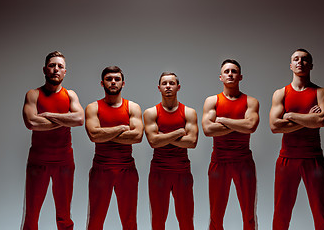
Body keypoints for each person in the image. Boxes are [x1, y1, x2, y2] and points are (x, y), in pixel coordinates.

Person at [269, 49, 324, 230]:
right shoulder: (280, 93)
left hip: (313, 158)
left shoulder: (321, 92)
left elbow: (321, 120)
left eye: (305, 60)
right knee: (281, 212)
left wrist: (290, 115)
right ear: (290, 65)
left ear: (311, 65)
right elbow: (275, 126)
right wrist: (307, 119)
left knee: (322, 213)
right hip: (287, 159)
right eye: (296, 59)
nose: (300, 62)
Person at [21, 51, 84, 230]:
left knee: (64, 215)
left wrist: (48, 116)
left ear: (65, 72)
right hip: (37, 161)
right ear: (44, 69)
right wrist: (65, 119)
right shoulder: (33, 94)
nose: (56, 69)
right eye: (52, 65)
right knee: (31, 214)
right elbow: (31, 122)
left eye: (60, 66)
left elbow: (79, 119)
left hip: (64, 162)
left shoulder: (70, 95)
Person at [202, 59, 259, 230]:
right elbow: (208, 129)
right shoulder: (212, 101)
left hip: (244, 162)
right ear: (220, 77)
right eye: (226, 72)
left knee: (249, 215)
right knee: (215, 215)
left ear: (240, 76)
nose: (230, 74)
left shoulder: (251, 102)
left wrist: (223, 120)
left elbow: (251, 126)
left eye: (234, 71)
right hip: (219, 162)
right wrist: (238, 125)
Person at [85, 66, 143, 230]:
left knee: (130, 220)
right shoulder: (93, 108)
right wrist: (121, 128)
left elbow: (137, 137)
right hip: (101, 169)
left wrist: (105, 133)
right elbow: (94, 136)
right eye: (109, 79)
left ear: (123, 83)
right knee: (95, 220)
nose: (113, 82)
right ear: (102, 83)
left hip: (127, 170)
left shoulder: (132, 107)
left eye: (117, 79)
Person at [143, 72, 199, 230]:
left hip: (182, 171)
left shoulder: (188, 112)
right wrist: (179, 132)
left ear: (178, 87)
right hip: (159, 171)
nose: (168, 86)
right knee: (158, 220)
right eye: (165, 83)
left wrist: (163, 137)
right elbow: (153, 142)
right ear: (159, 88)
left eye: (172, 83)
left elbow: (192, 142)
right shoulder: (151, 113)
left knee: (186, 220)